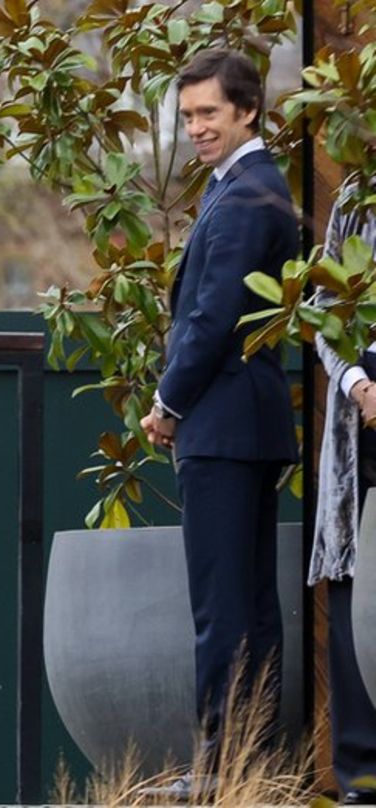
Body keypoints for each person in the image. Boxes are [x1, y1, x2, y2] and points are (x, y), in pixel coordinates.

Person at [140, 48, 299, 798]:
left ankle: (219, 770)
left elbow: (211, 317)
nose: (196, 128)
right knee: (251, 607)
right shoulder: (247, 187)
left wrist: (168, 403)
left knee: (224, 609)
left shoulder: (245, 197)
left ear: (248, 111)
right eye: (188, 117)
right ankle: (250, 768)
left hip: (224, 426)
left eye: (208, 113)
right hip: (247, 426)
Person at [312, 173, 376, 806]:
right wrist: (358, 384)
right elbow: (324, 316)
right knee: (355, 572)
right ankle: (361, 774)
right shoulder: (356, 194)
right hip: (363, 405)